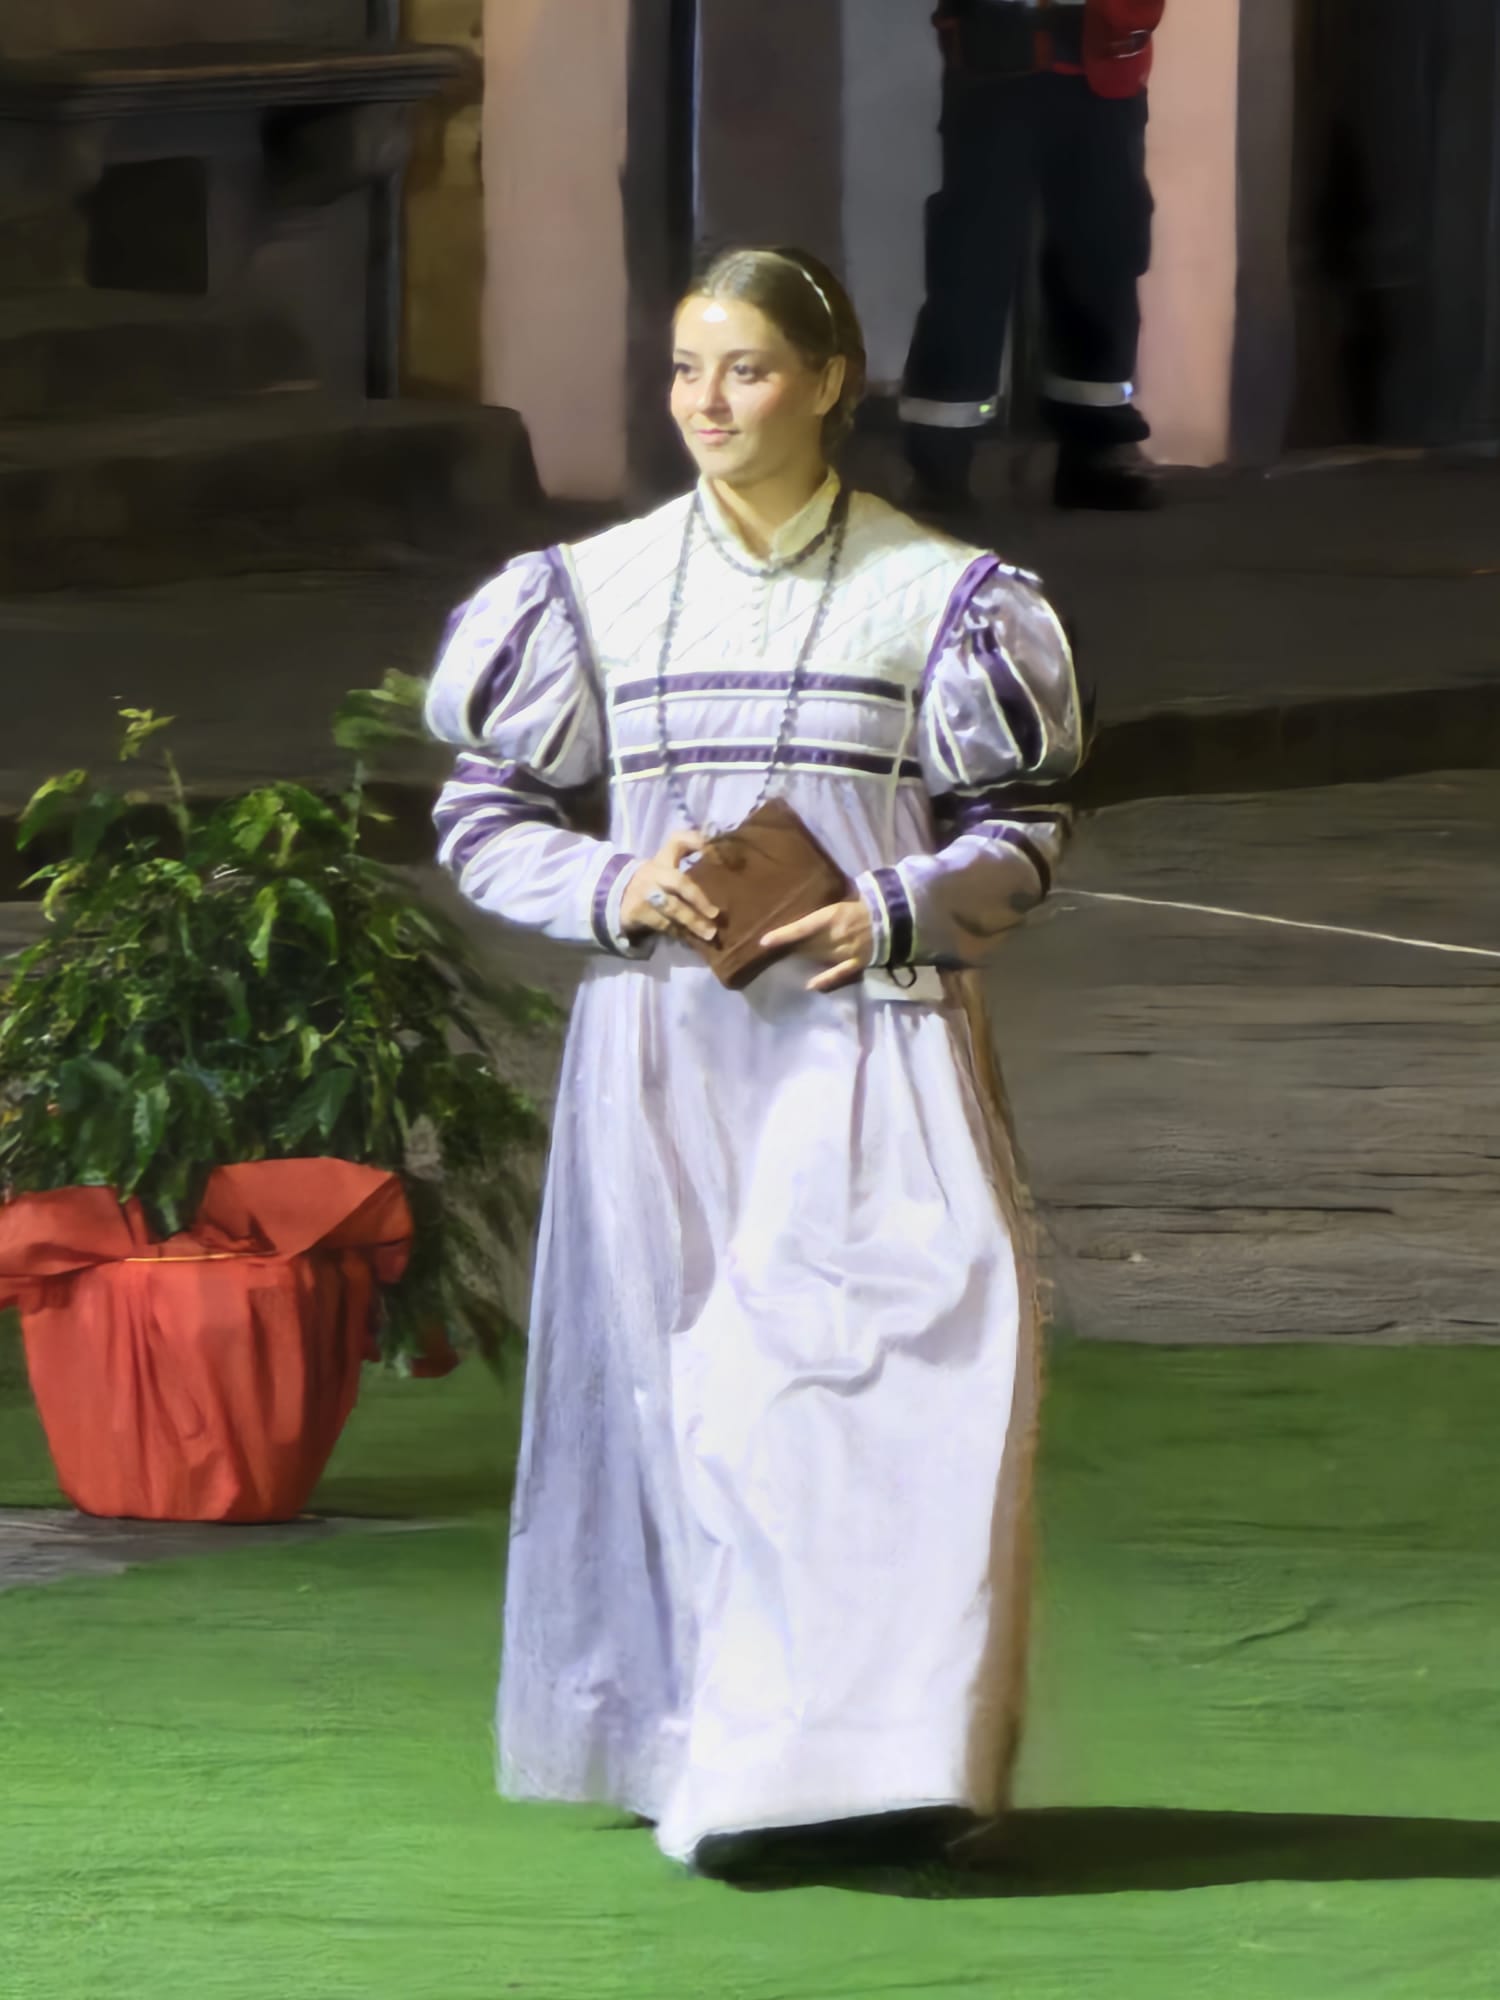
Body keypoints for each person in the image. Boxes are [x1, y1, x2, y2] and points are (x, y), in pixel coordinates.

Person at [425, 245, 1084, 1875]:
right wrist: (611, 884)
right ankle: (728, 1753)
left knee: (879, 1387)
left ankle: (885, 1754)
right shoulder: (590, 591)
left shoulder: (940, 595)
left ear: (829, 381)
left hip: (871, 1043)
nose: (708, 403)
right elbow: (486, 807)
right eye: (686, 370)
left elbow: (1021, 821)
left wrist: (901, 907)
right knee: (691, 1399)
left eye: (747, 369)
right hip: (668, 1048)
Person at [901, 0, 1166, 513]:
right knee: (973, 262)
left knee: (1104, 256)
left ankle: (1095, 452)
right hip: (996, 67)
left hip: (1106, 67)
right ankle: (939, 463)